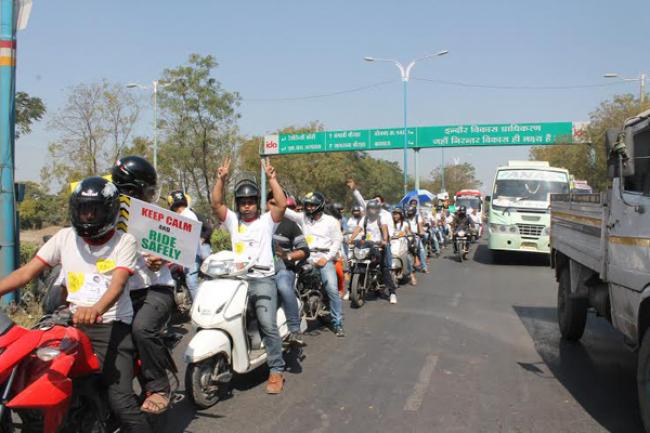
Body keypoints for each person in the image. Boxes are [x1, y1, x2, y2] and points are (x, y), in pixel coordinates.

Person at [0, 177, 151, 432]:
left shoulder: (124, 242)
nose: (88, 216)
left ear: (110, 211)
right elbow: (26, 273)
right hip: (70, 322)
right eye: (83, 209)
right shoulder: (64, 238)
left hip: (110, 325)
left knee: (121, 400)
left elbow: (117, 285)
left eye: (95, 210)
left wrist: (96, 310)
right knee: (36, 372)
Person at [211, 157, 288, 394]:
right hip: (238, 280)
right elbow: (215, 204)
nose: (246, 206)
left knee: (267, 323)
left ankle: (276, 370)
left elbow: (282, 205)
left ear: (257, 203)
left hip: (263, 279)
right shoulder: (234, 222)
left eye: (251, 202)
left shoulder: (266, 222)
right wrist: (220, 179)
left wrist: (273, 179)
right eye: (242, 202)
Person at [111, 155, 175, 414]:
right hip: (121, 292)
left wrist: (163, 258)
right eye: (147, 190)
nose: (149, 196)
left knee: (142, 329)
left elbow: (175, 249)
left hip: (156, 289)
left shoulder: (157, 217)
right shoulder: (107, 214)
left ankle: (158, 386)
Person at [284, 192, 345, 337]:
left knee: (331, 288)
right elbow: (284, 209)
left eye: (313, 205)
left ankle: (337, 322)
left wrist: (327, 257)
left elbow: (337, 241)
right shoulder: (303, 218)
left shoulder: (331, 221)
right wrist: (274, 186)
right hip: (306, 256)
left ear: (320, 205)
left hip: (324, 258)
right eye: (307, 205)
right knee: (290, 283)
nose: (310, 208)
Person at [268, 191, 310, 347]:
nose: (274, 207)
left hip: (283, 269)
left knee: (284, 287)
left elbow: (305, 250)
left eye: (278, 203)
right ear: (266, 204)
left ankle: (294, 329)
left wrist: (287, 256)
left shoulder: (291, 225)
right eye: (271, 203)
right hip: (258, 271)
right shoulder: (257, 224)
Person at [349, 199, 398, 304]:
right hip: (367, 246)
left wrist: (384, 240)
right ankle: (350, 290)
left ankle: (392, 292)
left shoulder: (381, 219)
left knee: (384, 268)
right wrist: (351, 239)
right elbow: (358, 229)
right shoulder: (364, 219)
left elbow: (385, 230)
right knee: (356, 264)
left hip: (378, 247)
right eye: (369, 208)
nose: (371, 211)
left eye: (373, 209)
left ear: (377, 210)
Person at [166, 190, 206, 300]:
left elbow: (186, 238)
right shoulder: (187, 214)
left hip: (191, 255)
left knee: (192, 282)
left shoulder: (186, 216)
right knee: (186, 281)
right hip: (188, 254)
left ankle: (199, 309)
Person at [391, 206, 416, 286]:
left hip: (402, 246)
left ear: (401, 215)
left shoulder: (404, 224)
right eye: (394, 214)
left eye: (397, 214)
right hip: (392, 245)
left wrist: (410, 236)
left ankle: (412, 276)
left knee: (408, 258)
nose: (395, 216)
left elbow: (409, 233)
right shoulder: (390, 224)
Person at [406, 205, 429, 273]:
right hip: (407, 236)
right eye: (408, 211)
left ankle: (424, 267)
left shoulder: (417, 217)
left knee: (421, 249)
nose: (409, 213)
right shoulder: (405, 219)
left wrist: (421, 232)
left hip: (416, 235)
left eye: (411, 211)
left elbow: (420, 225)